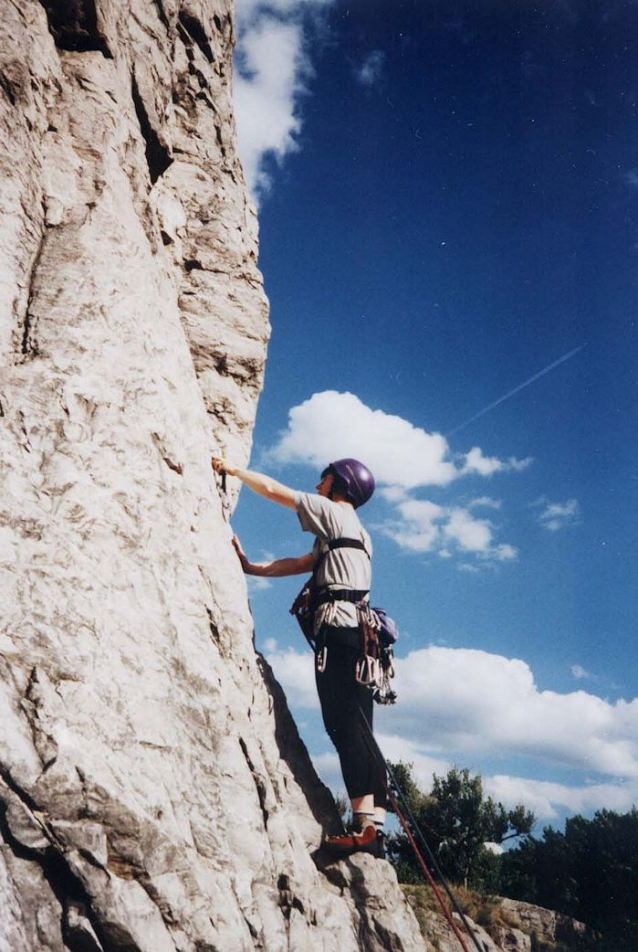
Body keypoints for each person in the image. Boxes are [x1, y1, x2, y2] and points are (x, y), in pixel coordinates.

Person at [211, 455, 387, 857]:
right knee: (359, 727)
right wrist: (252, 568)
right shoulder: (354, 531)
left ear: (340, 484)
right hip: (360, 638)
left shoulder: (332, 512)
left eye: (325, 477)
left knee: (343, 725)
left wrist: (233, 471)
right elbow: (303, 564)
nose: (318, 482)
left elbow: (278, 492)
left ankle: (365, 828)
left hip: (340, 632)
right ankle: (376, 826)